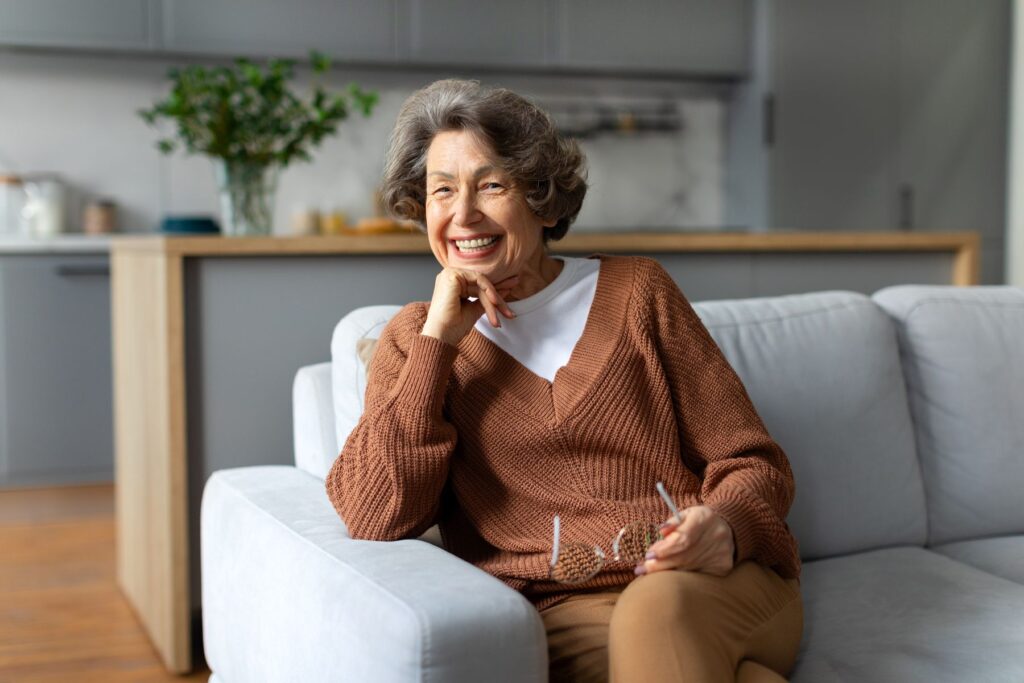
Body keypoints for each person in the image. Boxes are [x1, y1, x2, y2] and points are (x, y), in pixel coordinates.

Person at [326, 79, 803, 683]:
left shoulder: (640, 293)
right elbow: (375, 514)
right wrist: (438, 344)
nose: (463, 213)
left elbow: (754, 460)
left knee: (658, 611)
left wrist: (726, 525)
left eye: (492, 185)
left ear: (545, 201)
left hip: (714, 583)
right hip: (568, 614)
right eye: (441, 191)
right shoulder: (416, 342)